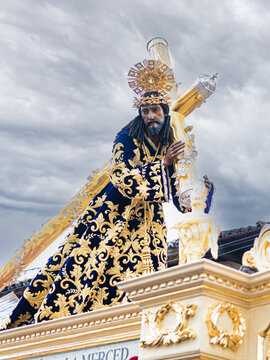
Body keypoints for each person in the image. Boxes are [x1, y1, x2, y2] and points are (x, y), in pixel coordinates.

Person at [0, 60, 213, 330]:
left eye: (155, 110)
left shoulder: (170, 140)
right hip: (114, 215)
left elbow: (173, 188)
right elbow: (121, 176)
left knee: (151, 280)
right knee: (92, 270)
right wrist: (162, 165)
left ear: (165, 111)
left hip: (151, 222)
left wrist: (194, 193)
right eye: (145, 111)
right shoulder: (126, 137)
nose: (150, 116)